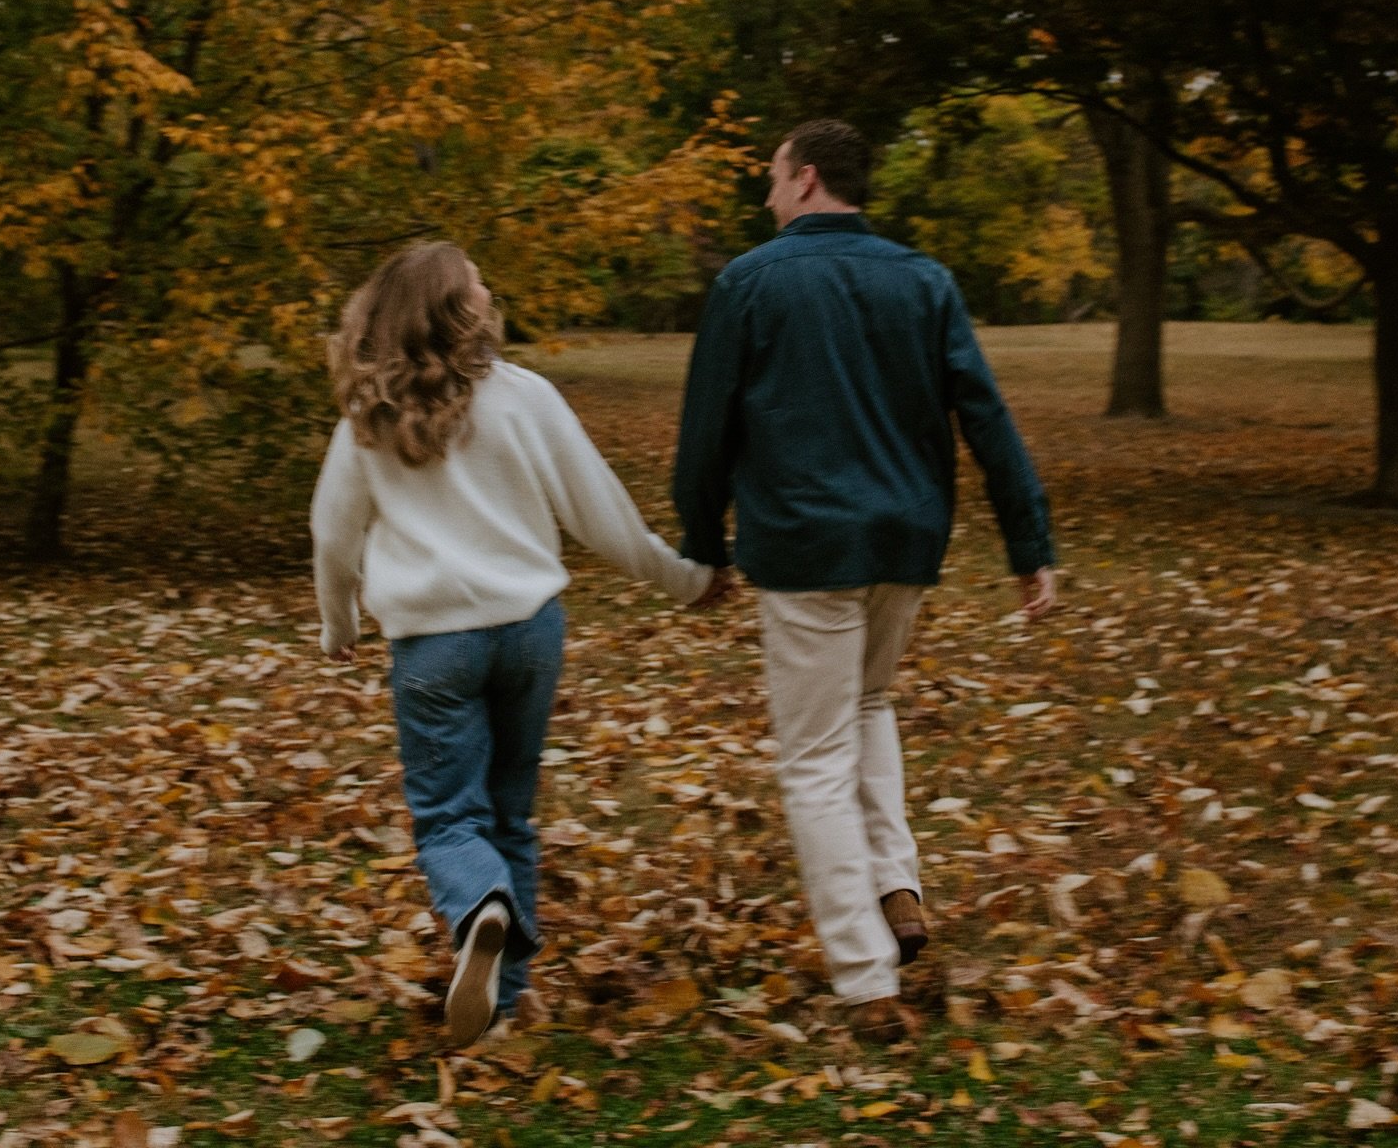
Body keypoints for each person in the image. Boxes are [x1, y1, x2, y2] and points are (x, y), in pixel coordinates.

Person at [673, 119, 1056, 1042]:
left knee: (811, 760)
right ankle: (896, 888)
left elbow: (705, 431)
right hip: (904, 540)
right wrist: (1028, 543)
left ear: (805, 179)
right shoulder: (923, 281)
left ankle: (863, 975)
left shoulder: (750, 282)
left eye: (772, 179)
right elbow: (986, 416)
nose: (767, 197)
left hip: (808, 546)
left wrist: (702, 542)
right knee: (871, 703)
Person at [311, 241, 719, 1048]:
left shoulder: (370, 413)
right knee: (512, 815)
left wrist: (339, 624)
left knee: (447, 822)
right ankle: (503, 1003)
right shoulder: (526, 396)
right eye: (477, 282)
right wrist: (687, 580)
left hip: (433, 647)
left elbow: (332, 534)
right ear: (461, 311)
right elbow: (600, 512)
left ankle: (479, 908)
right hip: (529, 632)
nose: (490, 288)